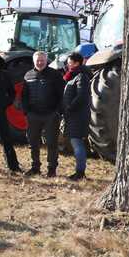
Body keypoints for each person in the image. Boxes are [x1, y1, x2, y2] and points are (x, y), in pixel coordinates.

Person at [22, 51, 65, 178]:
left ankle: (52, 169)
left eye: (42, 60)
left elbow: (62, 94)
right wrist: (26, 111)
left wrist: (57, 111)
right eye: (37, 61)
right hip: (33, 115)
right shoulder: (28, 75)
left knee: (51, 143)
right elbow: (24, 95)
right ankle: (35, 167)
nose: (40, 63)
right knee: (33, 142)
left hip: (50, 115)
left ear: (46, 61)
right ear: (34, 61)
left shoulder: (55, 75)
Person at [62, 52, 92, 181]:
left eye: (70, 62)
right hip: (73, 115)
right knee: (76, 143)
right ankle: (79, 171)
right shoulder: (73, 76)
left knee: (77, 142)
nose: (68, 65)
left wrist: (69, 108)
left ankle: (80, 173)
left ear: (77, 63)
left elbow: (81, 96)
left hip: (77, 116)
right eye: (68, 62)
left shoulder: (81, 76)